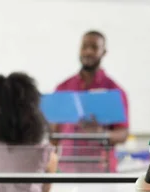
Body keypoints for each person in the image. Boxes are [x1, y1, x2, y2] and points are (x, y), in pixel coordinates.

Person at [53, 30, 130, 173]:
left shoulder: (115, 91)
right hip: (66, 169)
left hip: (101, 170)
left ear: (104, 52)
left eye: (94, 47)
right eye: (84, 46)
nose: (88, 51)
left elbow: (123, 134)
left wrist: (101, 133)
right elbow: (54, 132)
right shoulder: (62, 88)